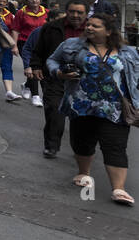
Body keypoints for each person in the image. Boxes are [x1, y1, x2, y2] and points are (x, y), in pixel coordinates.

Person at [46, 11, 137, 206]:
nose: (89, 28)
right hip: (81, 105)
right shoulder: (71, 46)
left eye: (95, 26)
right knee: (82, 142)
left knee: (115, 146)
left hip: (115, 109)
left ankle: (118, 189)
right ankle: (83, 172)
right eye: (89, 24)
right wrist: (59, 73)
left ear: (109, 31)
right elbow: (52, 60)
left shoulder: (128, 52)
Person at [28, 0, 88, 158]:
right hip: (55, 77)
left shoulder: (93, 29)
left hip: (84, 81)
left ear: (86, 14)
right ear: (66, 12)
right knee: (54, 112)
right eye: (72, 11)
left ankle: (82, 150)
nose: (75, 15)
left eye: (79, 12)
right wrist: (36, 66)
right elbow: (39, 50)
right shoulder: (51, 28)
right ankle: (51, 146)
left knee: (81, 117)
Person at [10, 0, 49, 105]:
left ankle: (27, 85)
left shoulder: (46, 12)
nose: (34, 1)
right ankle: (36, 95)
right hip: (25, 43)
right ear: (26, 0)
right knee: (32, 66)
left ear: (40, 0)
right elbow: (16, 30)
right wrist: (14, 45)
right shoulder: (21, 13)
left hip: (42, 44)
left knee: (41, 67)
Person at [0, 0, 21, 101]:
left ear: (7, 3)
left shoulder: (11, 16)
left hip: (5, 44)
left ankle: (9, 91)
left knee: (7, 66)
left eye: (3, 1)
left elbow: (14, 30)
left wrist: (14, 45)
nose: (1, 3)